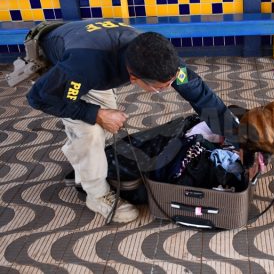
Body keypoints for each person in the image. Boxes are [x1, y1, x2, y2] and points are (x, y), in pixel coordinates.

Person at [26, 19, 239, 223]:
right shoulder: (83, 67)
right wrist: (96, 114)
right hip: (59, 64)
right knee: (91, 132)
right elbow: (39, 98)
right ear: (134, 78)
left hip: (85, 50)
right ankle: (97, 195)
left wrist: (239, 139)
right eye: (161, 88)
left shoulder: (159, 55)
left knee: (104, 130)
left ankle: (83, 160)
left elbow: (199, 94)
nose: (169, 87)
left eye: (172, 81)